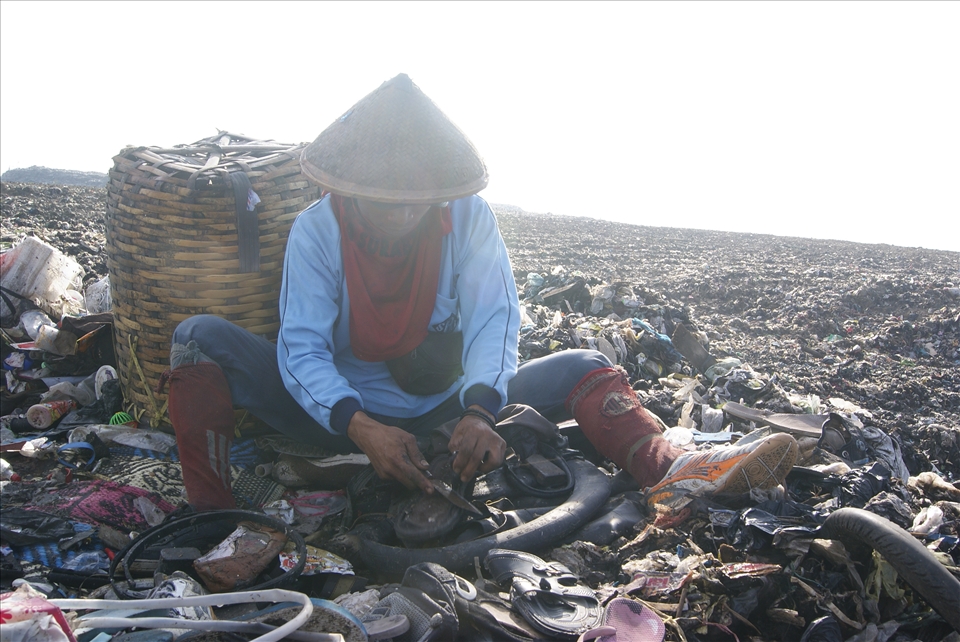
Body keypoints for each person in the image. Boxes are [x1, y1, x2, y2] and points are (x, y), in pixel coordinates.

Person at [164, 74, 798, 513]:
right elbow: (301, 348)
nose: (396, 215)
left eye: (412, 203)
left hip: (445, 410)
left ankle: (672, 474)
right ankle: (213, 519)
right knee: (198, 340)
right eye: (380, 202)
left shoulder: (468, 218)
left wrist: (478, 413)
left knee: (588, 368)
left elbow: (496, 319)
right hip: (345, 419)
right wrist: (360, 427)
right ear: (349, 190)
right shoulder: (317, 231)